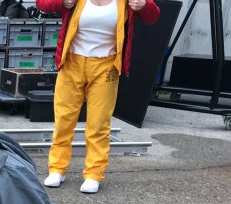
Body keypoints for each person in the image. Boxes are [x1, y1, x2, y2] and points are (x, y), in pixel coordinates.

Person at [37, 0, 160, 193]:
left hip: (106, 66)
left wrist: (144, 5)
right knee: (63, 120)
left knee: (99, 123)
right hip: (72, 63)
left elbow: (153, 17)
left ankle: (94, 173)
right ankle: (57, 169)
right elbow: (42, 4)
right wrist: (62, 2)